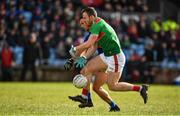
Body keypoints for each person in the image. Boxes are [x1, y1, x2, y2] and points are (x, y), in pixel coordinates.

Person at [69, 7, 148, 111]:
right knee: (89, 74)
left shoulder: (96, 26)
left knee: (113, 86)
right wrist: (83, 57)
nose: (83, 21)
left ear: (92, 17)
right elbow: (93, 47)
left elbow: (88, 44)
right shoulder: (95, 26)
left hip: (115, 57)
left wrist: (75, 49)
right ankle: (93, 100)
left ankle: (141, 88)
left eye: (84, 18)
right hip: (107, 55)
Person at [65, 18, 120, 111]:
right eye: (81, 24)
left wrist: (75, 58)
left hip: (108, 59)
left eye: (83, 23)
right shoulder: (89, 35)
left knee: (85, 71)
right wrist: (72, 60)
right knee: (96, 88)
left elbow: (87, 48)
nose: (82, 26)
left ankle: (86, 98)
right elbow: (84, 50)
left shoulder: (96, 31)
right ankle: (114, 106)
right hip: (103, 60)